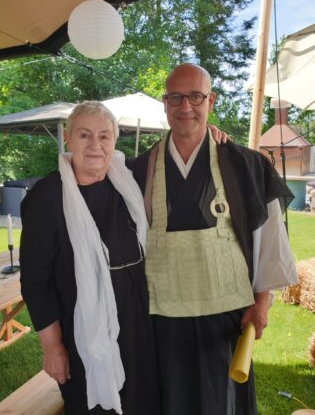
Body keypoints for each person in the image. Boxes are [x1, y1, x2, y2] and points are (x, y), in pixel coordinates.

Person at [129, 63, 298, 415]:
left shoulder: (245, 165)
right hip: (162, 317)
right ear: (165, 102)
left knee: (223, 404)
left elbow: (268, 241)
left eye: (195, 96)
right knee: (168, 402)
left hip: (226, 317)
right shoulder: (138, 170)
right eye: (175, 97)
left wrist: (262, 303)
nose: (185, 107)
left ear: (211, 100)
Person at [20, 101, 160, 415]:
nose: (95, 145)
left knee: (144, 401)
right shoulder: (47, 196)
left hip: (138, 322)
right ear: (67, 139)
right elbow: (35, 283)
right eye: (84, 136)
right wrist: (52, 347)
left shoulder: (126, 179)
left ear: (115, 140)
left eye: (104, 136)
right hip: (82, 331)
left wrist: (212, 133)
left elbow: (175, 146)